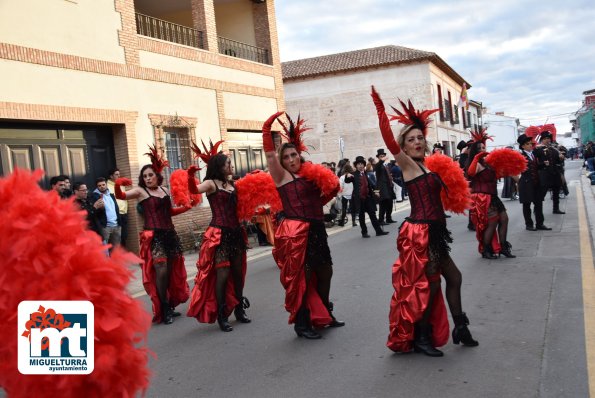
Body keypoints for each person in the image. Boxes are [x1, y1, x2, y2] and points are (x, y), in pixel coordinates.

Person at [372, 86, 478, 356]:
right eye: (411, 139)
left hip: (435, 232)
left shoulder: (429, 165)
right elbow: (390, 142)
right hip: (419, 233)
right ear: (404, 145)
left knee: (454, 277)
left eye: (420, 137)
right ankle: (421, 337)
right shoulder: (407, 165)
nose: (417, 142)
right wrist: (381, 110)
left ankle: (460, 327)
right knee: (429, 287)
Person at [262, 111, 345, 339]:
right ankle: (302, 322)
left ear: (300, 155)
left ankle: (326, 312)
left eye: (294, 155)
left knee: (325, 271)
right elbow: (270, 155)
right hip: (298, 234)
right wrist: (266, 129)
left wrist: (332, 191)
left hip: (317, 229)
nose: (291, 160)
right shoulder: (282, 177)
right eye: (286, 157)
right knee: (303, 278)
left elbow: (318, 201)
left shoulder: (309, 176)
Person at [114, 146, 190, 325]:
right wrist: (118, 185)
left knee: (170, 270)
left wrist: (185, 208)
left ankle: (170, 304)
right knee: (161, 270)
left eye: (150, 175)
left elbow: (168, 212)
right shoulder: (140, 192)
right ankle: (163, 307)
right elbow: (122, 196)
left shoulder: (164, 190)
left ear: (157, 175)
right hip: (153, 236)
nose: (147, 178)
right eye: (145, 176)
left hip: (169, 234)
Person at [186, 143, 251, 332]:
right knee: (222, 274)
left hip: (236, 233)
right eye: (228, 163)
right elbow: (194, 190)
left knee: (238, 273)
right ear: (220, 167)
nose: (231, 166)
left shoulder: (233, 185)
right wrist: (190, 175)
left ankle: (239, 309)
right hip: (219, 234)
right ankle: (222, 315)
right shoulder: (211, 183)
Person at [466, 130, 525, 259]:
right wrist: (476, 158)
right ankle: (486, 250)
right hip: (482, 197)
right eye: (479, 148)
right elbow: (470, 173)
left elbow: (503, 173)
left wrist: (520, 180)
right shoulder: (477, 164)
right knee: (492, 223)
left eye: (483, 147)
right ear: (474, 151)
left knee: (504, 219)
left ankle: (503, 247)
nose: (482, 149)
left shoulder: (488, 163)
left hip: (492, 196)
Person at [516, 134, 551, 231]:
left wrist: (543, 165)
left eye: (530, 143)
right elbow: (517, 169)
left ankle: (540, 224)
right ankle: (529, 225)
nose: (530, 145)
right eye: (527, 144)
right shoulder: (520, 156)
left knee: (539, 204)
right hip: (526, 183)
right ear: (523, 146)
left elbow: (535, 167)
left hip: (536, 182)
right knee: (527, 205)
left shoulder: (533, 154)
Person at [352, 156, 389, 238]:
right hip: (360, 199)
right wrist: (347, 175)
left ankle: (378, 231)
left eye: (362, 164)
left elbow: (372, 185)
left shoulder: (365, 173)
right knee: (362, 217)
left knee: (373, 215)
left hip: (368, 198)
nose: (361, 166)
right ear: (356, 166)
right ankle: (364, 232)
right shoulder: (354, 175)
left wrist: (376, 192)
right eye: (359, 164)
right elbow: (348, 180)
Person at [533, 131, 565, 214]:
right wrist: (536, 147)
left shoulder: (554, 149)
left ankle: (556, 208)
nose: (547, 140)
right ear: (541, 140)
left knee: (556, 192)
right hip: (544, 174)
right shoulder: (538, 149)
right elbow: (533, 158)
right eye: (545, 139)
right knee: (542, 193)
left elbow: (558, 161)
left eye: (548, 138)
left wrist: (561, 158)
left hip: (554, 173)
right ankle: (537, 209)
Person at [92, 177, 122, 252]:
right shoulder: (94, 196)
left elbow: (116, 208)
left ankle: (116, 264)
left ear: (106, 184)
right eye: (99, 185)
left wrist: (119, 222)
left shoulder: (111, 195)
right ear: (97, 187)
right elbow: (95, 211)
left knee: (116, 249)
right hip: (105, 227)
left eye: (103, 184)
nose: (102, 187)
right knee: (104, 250)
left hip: (116, 225)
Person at [108, 168, 129, 248]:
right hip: (115, 214)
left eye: (119, 174)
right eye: (116, 174)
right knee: (117, 237)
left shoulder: (121, 185)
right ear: (111, 176)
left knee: (124, 236)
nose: (119, 176)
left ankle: (123, 255)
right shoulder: (107, 186)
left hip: (124, 213)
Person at [375, 148, 397, 225]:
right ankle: (381, 220)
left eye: (383, 156)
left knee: (390, 203)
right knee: (383, 204)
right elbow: (377, 166)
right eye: (381, 156)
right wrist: (382, 160)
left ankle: (388, 218)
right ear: (378, 157)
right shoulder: (378, 165)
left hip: (389, 186)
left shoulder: (386, 165)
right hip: (382, 188)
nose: (382, 157)